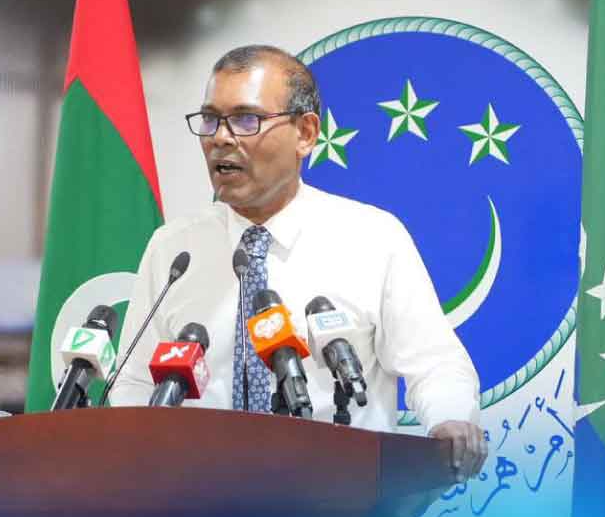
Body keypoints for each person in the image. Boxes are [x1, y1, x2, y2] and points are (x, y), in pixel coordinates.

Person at [108, 45, 486, 482]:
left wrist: (450, 419)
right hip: (199, 501)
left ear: (305, 133)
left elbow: (435, 362)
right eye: (210, 120)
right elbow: (134, 383)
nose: (220, 138)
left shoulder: (372, 238)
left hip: (342, 499)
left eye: (246, 120)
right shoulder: (174, 249)